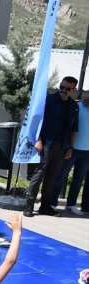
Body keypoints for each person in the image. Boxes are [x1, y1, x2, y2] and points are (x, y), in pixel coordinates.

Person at [25, 76, 79, 217]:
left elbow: (74, 128)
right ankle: (29, 205)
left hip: (62, 145)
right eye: (61, 87)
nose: (63, 90)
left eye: (67, 89)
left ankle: (45, 206)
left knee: (52, 177)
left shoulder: (74, 106)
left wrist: (70, 147)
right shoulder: (48, 100)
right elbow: (36, 121)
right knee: (39, 174)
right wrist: (38, 139)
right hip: (46, 143)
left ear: (74, 90)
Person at [53, 84, 87, 216]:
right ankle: (53, 202)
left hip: (87, 151)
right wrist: (69, 146)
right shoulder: (77, 106)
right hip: (72, 148)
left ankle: (71, 204)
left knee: (79, 179)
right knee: (61, 176)